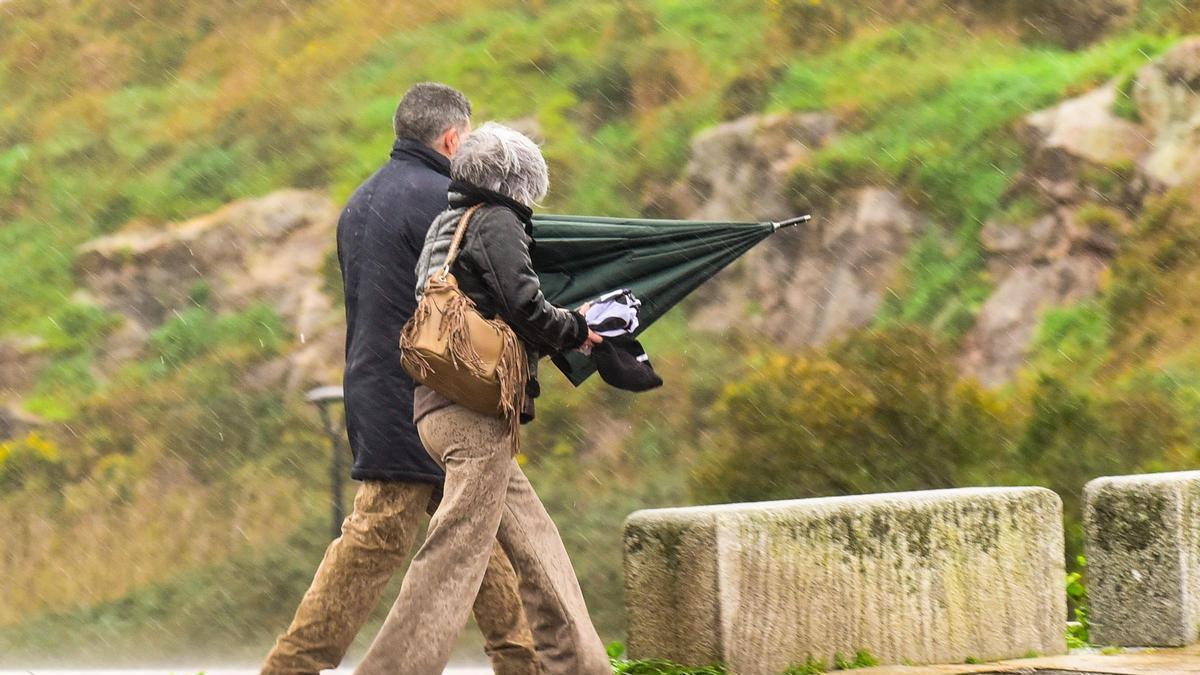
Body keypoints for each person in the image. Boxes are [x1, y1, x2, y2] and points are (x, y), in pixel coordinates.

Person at [260, 85, 538, 675]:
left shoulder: (361, 201)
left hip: (377, 390)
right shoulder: (445, 202)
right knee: (376, 539)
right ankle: (290, 669)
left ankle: (525, 663)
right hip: (428, 394)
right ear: (452, 140)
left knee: (473, 535)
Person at [353, 122, 609, 675]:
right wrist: (577, 328)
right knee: (455, 552)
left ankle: (582, 666)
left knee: (536, 541)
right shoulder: (497, 220)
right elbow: (523, 303)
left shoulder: (447, 224)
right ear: (519, 180)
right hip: (474, 414)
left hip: (435, 407)